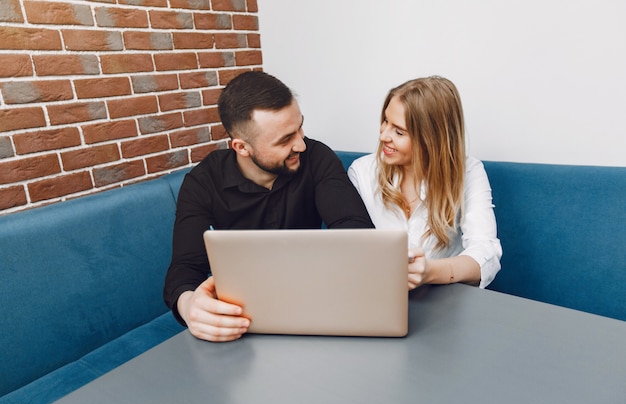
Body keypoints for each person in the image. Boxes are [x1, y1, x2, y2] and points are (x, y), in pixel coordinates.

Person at [163, 71, 374, 342]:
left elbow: (355, 229)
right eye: (285, 139)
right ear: (242, 147)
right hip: (244, 319)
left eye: (300, 127)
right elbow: (184, 268)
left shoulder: (317, 157)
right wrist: (190, 305)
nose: (301, 143)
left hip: (315, 301)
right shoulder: (203, 182)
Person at [348, 76, 502, 290]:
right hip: (381, 296)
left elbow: (486, 254)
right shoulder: (363, 172)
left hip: (446, 303)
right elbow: (352, 253)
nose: (383, 135)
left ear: (431, 140)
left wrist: (429, 271)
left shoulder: (468, 172)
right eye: (385, 121)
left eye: (399, 132)